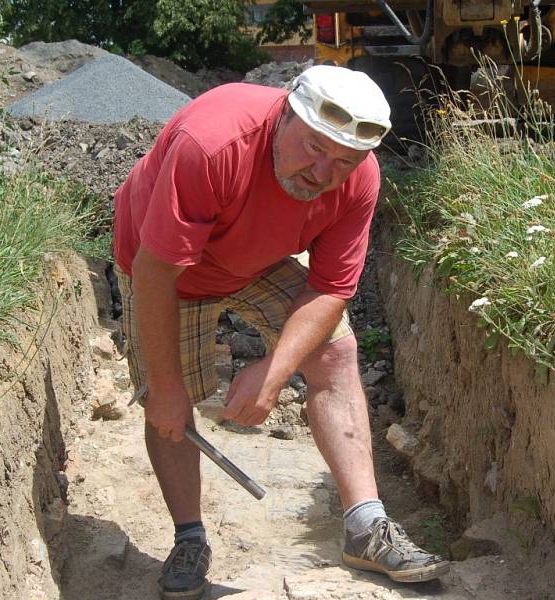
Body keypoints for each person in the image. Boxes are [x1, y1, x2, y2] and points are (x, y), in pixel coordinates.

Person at [112, 64, 450, 599]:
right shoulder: (213, 144)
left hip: (254, 258)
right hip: (166, 267)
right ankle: (189, 537)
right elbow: (157, 272)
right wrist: (168, 388)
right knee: (170, 400)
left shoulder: (359, 180)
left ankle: (366, 528)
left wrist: (273, 370)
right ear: (284, 115)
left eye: (344, 159)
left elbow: (332, 289)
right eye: (314, 147)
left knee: (336, 352)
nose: (323, 172)